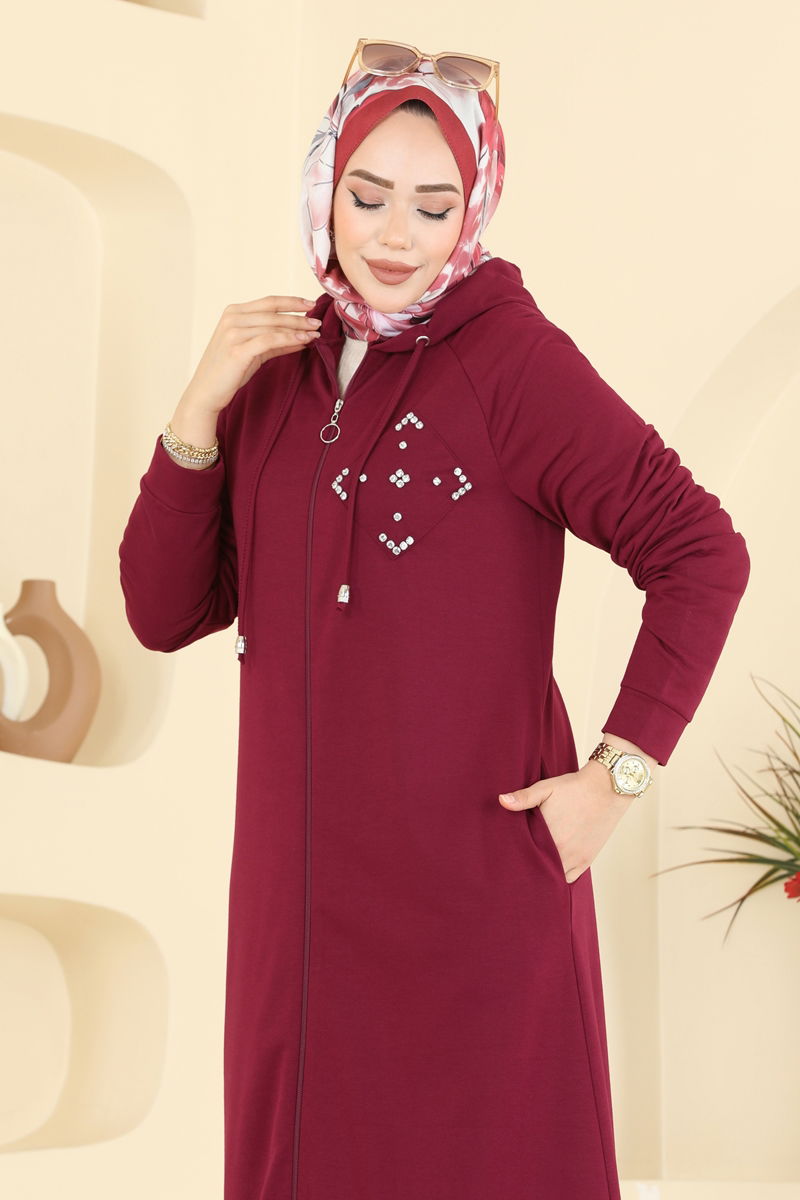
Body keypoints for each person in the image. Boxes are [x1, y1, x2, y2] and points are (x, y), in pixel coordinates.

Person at [118, 39, 750, 1200]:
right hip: (297, 915)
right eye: (366, 196)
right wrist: (197, 408)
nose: (394, 236)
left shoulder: (511, 363)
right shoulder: (274, 372)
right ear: (323, 186)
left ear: (475, 207)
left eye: (431, 204)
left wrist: (615, 777)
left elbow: (699, 550)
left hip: (470, 898)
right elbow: (163, 613)